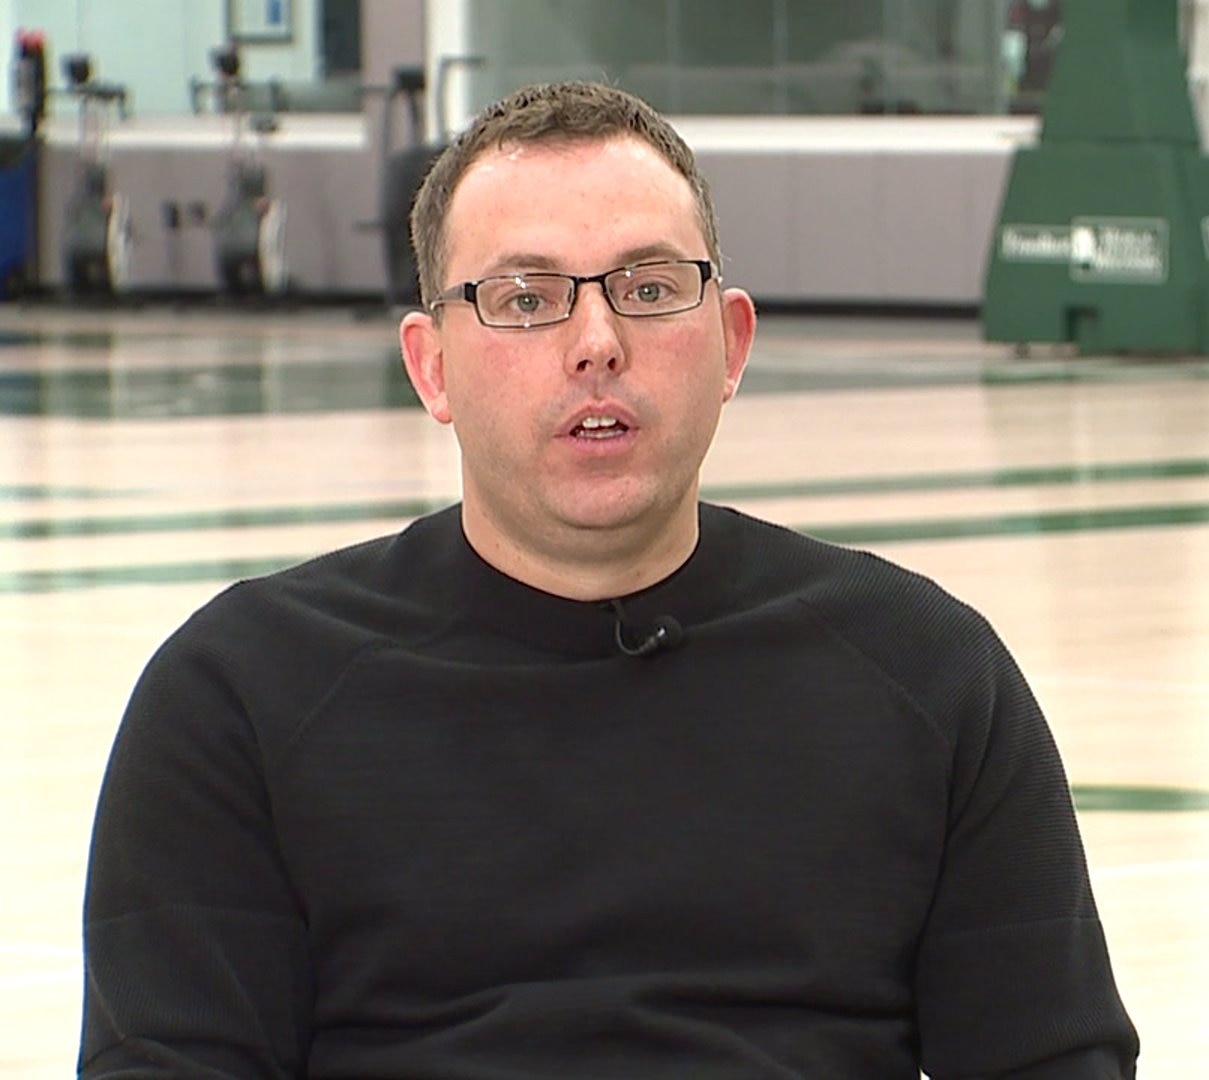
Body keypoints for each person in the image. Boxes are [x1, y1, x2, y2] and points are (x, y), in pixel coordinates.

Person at [78, 80, 1138, 1078]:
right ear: (431, 366)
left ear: (731, 344)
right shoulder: (243, 696)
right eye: (525, 297)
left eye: (649, 288)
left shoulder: (926, 674)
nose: (597, 343)